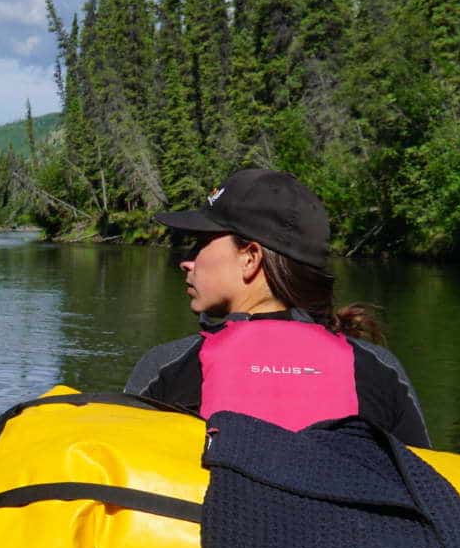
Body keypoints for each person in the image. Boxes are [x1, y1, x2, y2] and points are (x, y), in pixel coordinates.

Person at [124, 167, 429, 446]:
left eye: (200, 244)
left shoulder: (169, 366)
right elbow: (422, 476)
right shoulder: (381, 370)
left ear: (250, 258)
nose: (186, 262)